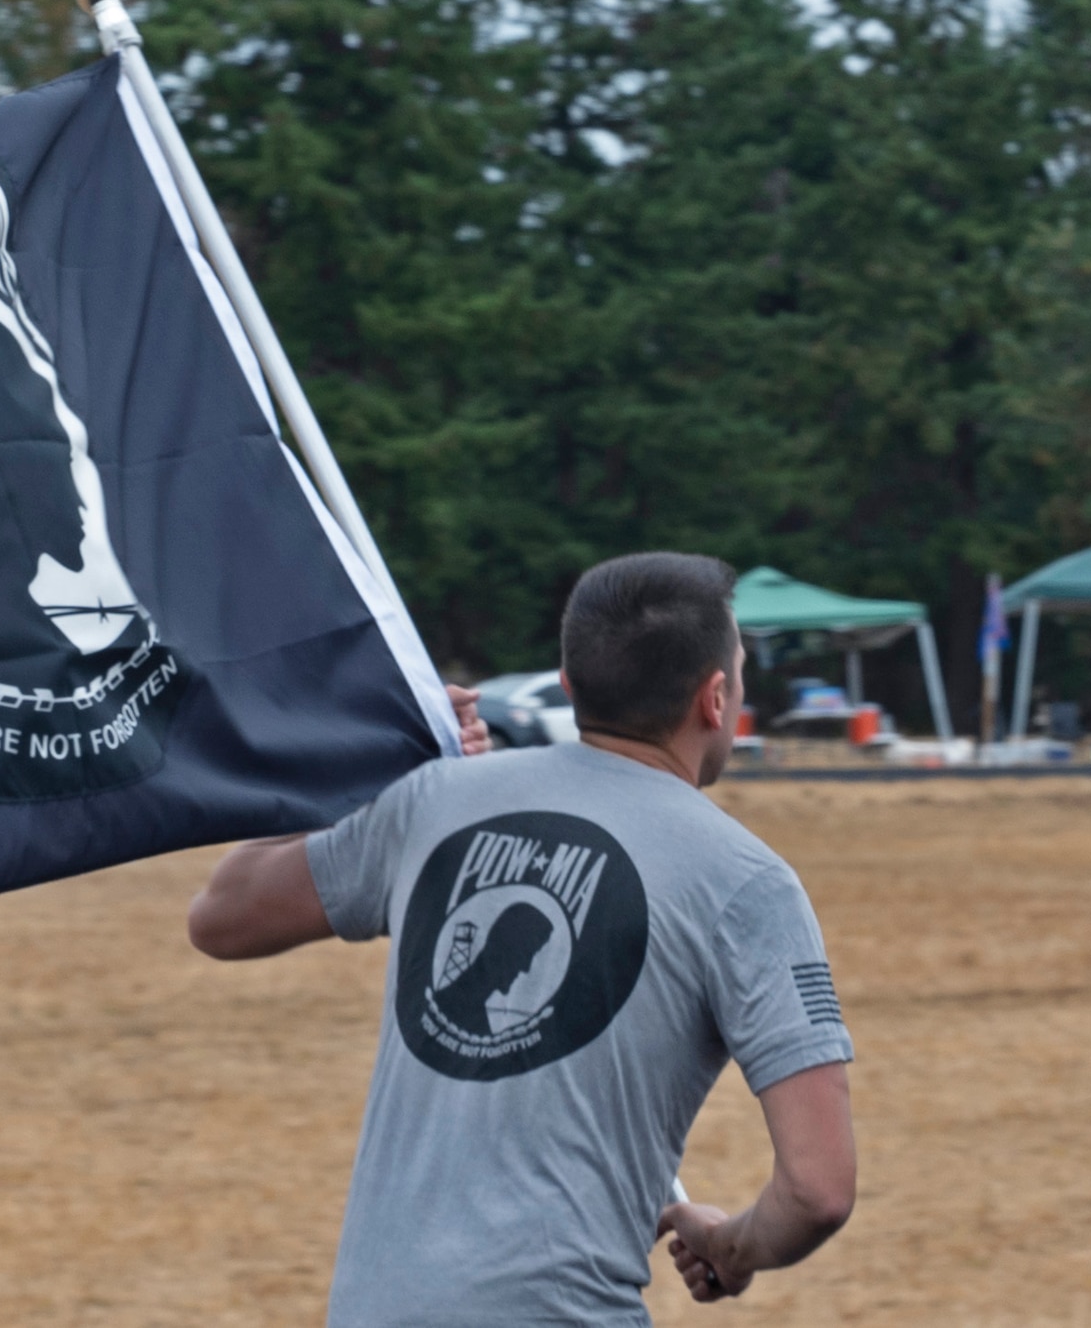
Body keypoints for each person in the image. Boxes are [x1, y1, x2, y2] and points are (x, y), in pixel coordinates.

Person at [187, 552, 855, 1325]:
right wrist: (732, 1246)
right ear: (714, 700)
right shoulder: (748, 882)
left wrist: (367, 768)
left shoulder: (434, 801)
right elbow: (818, 1189)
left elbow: (221, 915)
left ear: (571, 686)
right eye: (739, 674)